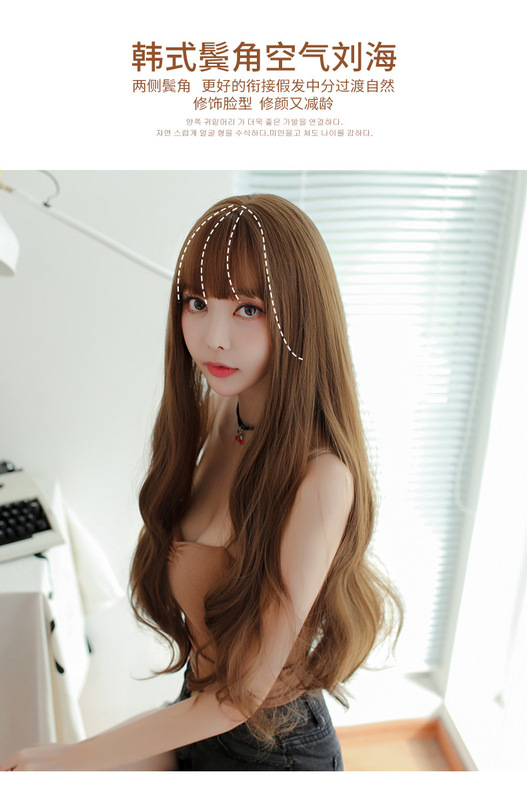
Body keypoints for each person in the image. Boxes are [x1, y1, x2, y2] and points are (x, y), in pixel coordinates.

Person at [0, 193, 401, 771]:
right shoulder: (224, 414)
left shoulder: (321, 477)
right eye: (197, 302)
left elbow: (241, 698)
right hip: (199, 709)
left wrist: (75, 757)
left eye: (247, 309)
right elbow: (209, 697)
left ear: (300, 316)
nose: (214, 336)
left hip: (273, 754)